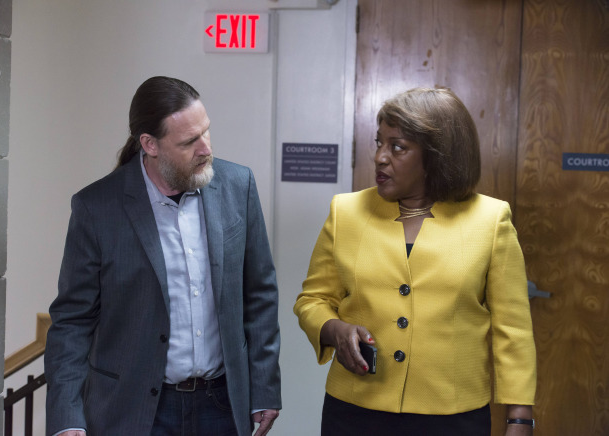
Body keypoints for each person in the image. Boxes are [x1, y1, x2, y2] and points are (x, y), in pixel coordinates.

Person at [45, 76, 281, 436]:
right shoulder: (97, 208)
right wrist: (67, 417)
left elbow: (260, 294)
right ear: (150, 145)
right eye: (189, 141)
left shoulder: (238, 185)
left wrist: (264, 389)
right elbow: (72, 321)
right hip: (134, 409)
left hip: (221, 404)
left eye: (206, 132)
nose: (206, 149)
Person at [294, 88, 536, 435]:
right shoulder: (345, 213)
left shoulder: (490, 220)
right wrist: (334, 329)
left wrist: (520, 416)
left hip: (454, 417)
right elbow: (312, 300)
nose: (379, 157)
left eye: (397, 147)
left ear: (436, 156)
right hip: (354, 412)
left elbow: (512, 329)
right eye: (379, 143)